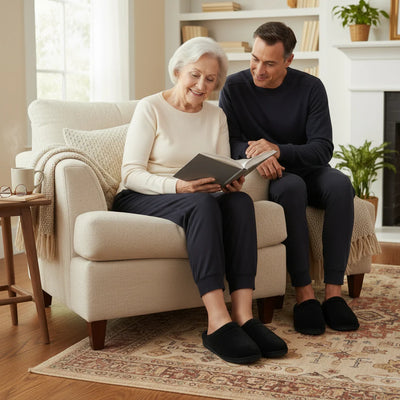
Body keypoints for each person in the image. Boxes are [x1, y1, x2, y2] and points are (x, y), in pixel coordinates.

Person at [112, 37, 287, 364]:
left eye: (210, 79)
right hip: (143, 195)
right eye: (195, 74)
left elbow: (219, 166)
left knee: (240, 203)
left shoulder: (215, 116)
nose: (201, 84)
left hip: (196, 196)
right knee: (202, 204)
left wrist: (229, 183)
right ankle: (217, 321)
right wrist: (179, 188)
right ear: (178, 71)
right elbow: (131, 172)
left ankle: (245, 317)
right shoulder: (150, 108)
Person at [219, 22, 359, 335]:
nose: (258, 69)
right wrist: (259, 155)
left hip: (307, 167)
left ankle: (334, 295)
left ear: (289, 60)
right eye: (255, 59)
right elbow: (228, 142)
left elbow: (322, 149)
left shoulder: (311, 87)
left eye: (269, 63)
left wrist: (278, 150)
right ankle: (305, 296)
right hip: (274, 176)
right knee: (292, 188)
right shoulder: (234, 87)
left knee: (340, 185)